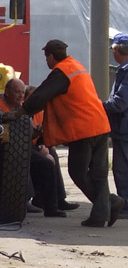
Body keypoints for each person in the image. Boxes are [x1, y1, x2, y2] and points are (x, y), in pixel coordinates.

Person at [11, 39, 125, 228]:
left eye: (46, 57)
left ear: (51, 56)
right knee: (99, 174)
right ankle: (100, 215)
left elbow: (40, 96)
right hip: (100, 125)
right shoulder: (76, 66)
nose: (46, 62)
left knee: (77, 171)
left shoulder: (61, 72)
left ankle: (110, 202)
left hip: (83, 130)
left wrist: (19, 113)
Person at [0, 78, 68, 218]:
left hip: (22, 146)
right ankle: (25, 200)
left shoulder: (20, 108)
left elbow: (27, 131)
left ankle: (52, 206)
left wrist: (37, 133)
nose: (20, 95)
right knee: (28, 162)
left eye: (22, 92)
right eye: (16, 92)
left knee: (47, 162)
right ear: (7, 92)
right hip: (3, 149)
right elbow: (1, 130)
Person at [24, 84, 78, 215]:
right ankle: (50, 206)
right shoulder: (22, 113)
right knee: (46, 162)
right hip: (26, 148)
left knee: (52, 152)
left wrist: (43, 145)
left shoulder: (40, 113)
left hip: (35, 146)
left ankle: (59, 199)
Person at [102, 32, 128, 215]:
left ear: (118, 50)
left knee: (122, 170)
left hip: (124, 129)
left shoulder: (126, 71)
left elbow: (120, 103)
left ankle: (125, 205)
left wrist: (96, 105)